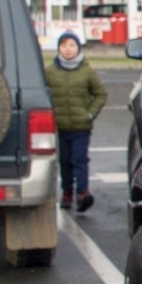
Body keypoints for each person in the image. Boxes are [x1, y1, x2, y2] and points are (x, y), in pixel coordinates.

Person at [45, 31, 106, 212]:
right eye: (64, 45)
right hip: (59, 128)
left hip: (81, 127)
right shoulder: (50, 72)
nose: (68, 49)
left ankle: (82, 193)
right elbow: (42, 94)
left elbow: (100, 94)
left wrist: (90, 114)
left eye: (71, 45)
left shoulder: (87, 71)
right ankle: (67, 193)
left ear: (78, 48)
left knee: (79, 159)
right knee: (64, 161)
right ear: (59, 49)